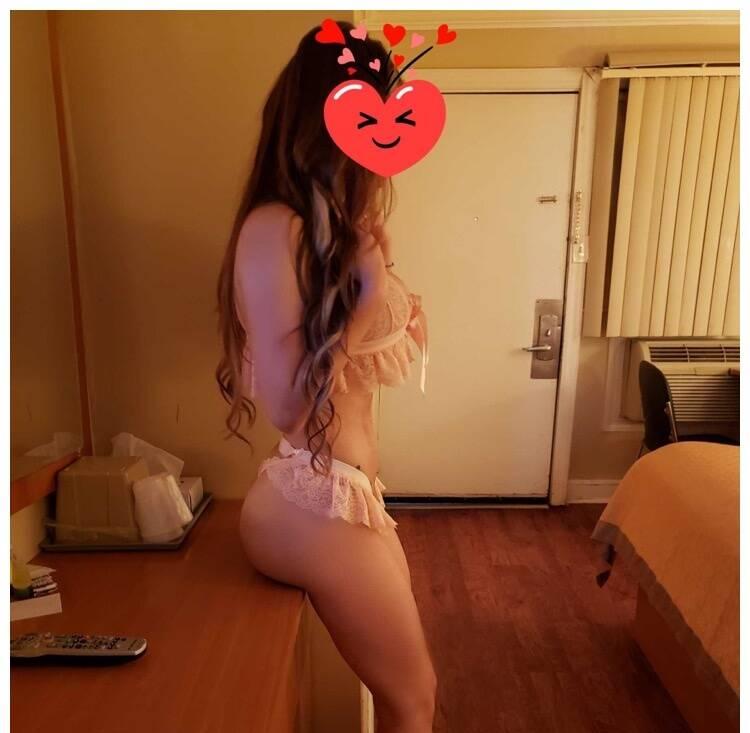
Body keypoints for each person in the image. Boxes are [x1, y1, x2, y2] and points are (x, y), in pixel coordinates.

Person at [215, 20, 435, 733]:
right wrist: (365, 307)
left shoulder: (328, 224)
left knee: (411, 694)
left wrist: (384, 286)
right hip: (310, 501)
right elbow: (287, 403)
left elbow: (344, 354)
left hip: (346, 494)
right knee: (414, 697)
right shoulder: (272, 229)